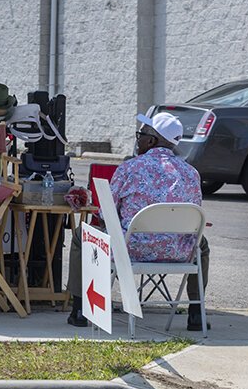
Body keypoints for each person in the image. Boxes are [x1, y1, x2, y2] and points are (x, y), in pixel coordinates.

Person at [68, 111, 210, 331]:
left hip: (129, 250)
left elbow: (107, 214)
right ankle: (195, 314)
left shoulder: (129, 168)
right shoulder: (191, 173)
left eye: (140, 135)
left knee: (80, 235)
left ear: (152, 141)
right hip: (177, 252)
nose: (138, 139)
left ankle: (78, 309)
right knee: (202, 245)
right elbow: (194, 215)